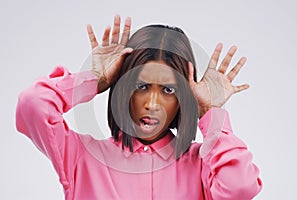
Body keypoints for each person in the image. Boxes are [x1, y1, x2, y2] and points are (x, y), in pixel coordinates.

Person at [16, 15, 262, 199]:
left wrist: (208, 111)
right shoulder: (82, 157)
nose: (152, 103)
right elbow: (33, 105)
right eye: (142, 86)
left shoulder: (201, 164)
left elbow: (240, 187)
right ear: (123, 89)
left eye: (168, 90)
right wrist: (94, 79)